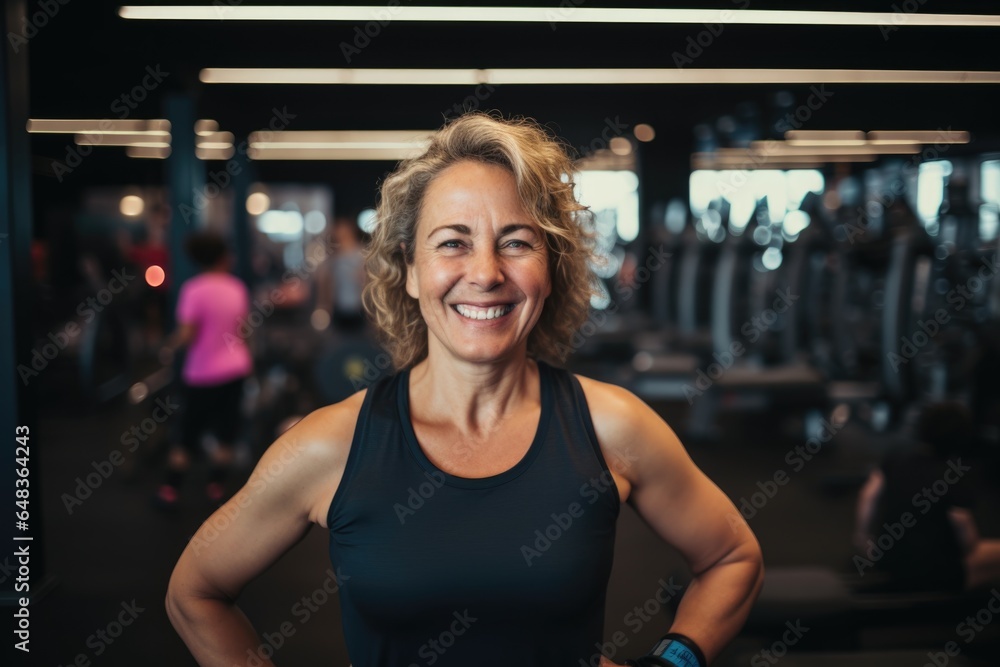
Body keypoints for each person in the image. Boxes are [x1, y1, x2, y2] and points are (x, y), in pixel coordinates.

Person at [166, 113, 764, 666]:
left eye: (516, 241)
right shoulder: (332, 445)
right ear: (409, 267)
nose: (485, 273)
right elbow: (196, 593)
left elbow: (732, 557)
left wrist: (673, 661)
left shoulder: (613, 426)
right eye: (453, 241)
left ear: (550, 267)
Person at [854, 401, 1000, 592]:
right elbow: (964, 530)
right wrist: (970, 551)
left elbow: (869, 494)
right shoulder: (956, 476)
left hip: (887, 561)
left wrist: (862, 537)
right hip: (937, 576)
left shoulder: (896, 456)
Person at [156, 232, 253, 508]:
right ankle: (216, 487)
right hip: (235, 369)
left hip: (202, 373)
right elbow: (242, 331)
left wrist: (167, 347)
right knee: (227, 429)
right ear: (224, 257)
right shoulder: (237, 288)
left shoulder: (193, 289)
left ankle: (170, 490)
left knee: (187, 433)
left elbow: (187, 335)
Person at [314, 215, 368, 335]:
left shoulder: (362, 254)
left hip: (359, 308)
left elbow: (369, 280)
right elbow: (325, 283)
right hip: (338, 309)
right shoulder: (333, 257)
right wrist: (323, 306)